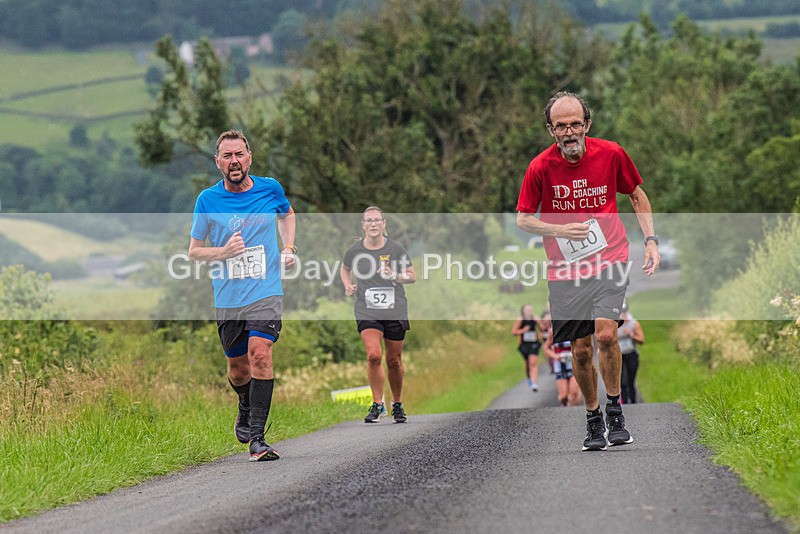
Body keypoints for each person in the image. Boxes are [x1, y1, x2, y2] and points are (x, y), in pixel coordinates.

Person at [516, 91, 660, 451]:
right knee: (580, 350)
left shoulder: (611, 153)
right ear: (551, 130)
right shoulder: (539, 167)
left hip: (610, 259)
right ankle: (593, 417)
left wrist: (651, 240)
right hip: (566, 271)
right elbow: (523, 219)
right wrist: (560, 230)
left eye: (575, 124)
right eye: (561, 126)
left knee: (607, 335)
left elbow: (636, 195)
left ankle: (615, 411)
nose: (569, 132)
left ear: (587, 125)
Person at [189, 129, 296, 462]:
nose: (234, 161)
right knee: (238, 369)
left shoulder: (270, 188)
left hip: (265, 290)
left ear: (249, 158)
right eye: (227, 156)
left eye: (239, 154)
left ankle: (257, 439)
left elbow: (287, 213)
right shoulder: (207, 200)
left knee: (259, 353)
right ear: (218, 162)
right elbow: (194, 252)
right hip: (229, 298)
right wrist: (223, 252)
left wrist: (289, 247)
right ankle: (245, 403)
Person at [340, 206, 416, 424]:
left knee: (394, 360)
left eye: (377, 220)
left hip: (394, 308)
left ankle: (397, 403)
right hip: (367, 308)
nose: (373, 224)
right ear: (363, 225)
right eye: (369, 221)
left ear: (384, 224)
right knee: (374, 355)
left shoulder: (396, 248)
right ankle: (377, 404)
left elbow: (412, 276)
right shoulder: (355, 250)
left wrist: (395, 275)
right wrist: (348, 285)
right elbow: (345, 268)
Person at [542, 325, 582, 406]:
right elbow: (546, 348)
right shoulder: (553, 331)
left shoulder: (574, 328)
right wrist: (555, 356)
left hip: (573, 364)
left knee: (574, 392)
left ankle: (573, 410)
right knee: (563, 397)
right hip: (560, 365)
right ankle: (565, 407)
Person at [618, 300, 645, 404]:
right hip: (619, 356)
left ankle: (633, 403)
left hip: (631, 354)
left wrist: (631, 335)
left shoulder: (633, 323)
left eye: (624, 311)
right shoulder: (614, 324)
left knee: (630, 381)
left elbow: (641, 339)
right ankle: (624, 403)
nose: (623, 314)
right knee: (623, 382)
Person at [511, 304, 542, 391]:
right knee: (527, 364)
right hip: (524, 344)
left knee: (533, 363)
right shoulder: (520, 320)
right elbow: (514, 332)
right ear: (523, 310)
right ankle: (529, 378)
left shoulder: (535, 318)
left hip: (534, 343)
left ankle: (534, 383)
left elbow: (542, 329)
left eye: (530, 309)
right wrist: (523, 330)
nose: (529, 311)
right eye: (527, 310)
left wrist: (539, 322)